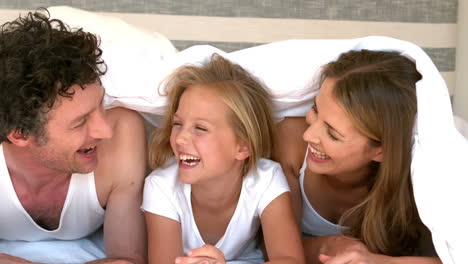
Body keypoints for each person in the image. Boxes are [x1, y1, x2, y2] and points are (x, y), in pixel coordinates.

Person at [0, 9, 147, 264]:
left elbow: (128, 260)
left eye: (101, 105)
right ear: (20, 134)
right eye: (81, 122)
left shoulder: (123, 131)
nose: (105, 131)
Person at [277, 50, 442, 264]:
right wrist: (331, 245)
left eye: (332, 134)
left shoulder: (422, 177)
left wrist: (379, 261)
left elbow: (454, 256)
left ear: (381, 150)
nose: (309, 135)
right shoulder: (290, 140)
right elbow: (270, 245)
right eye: (315, 110)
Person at [142, 54, 305, 264]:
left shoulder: (266, 179)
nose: (180, 138)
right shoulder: (161, 186)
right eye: (177, 124)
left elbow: (290, 260)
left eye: (200, 128)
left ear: (243, 146)